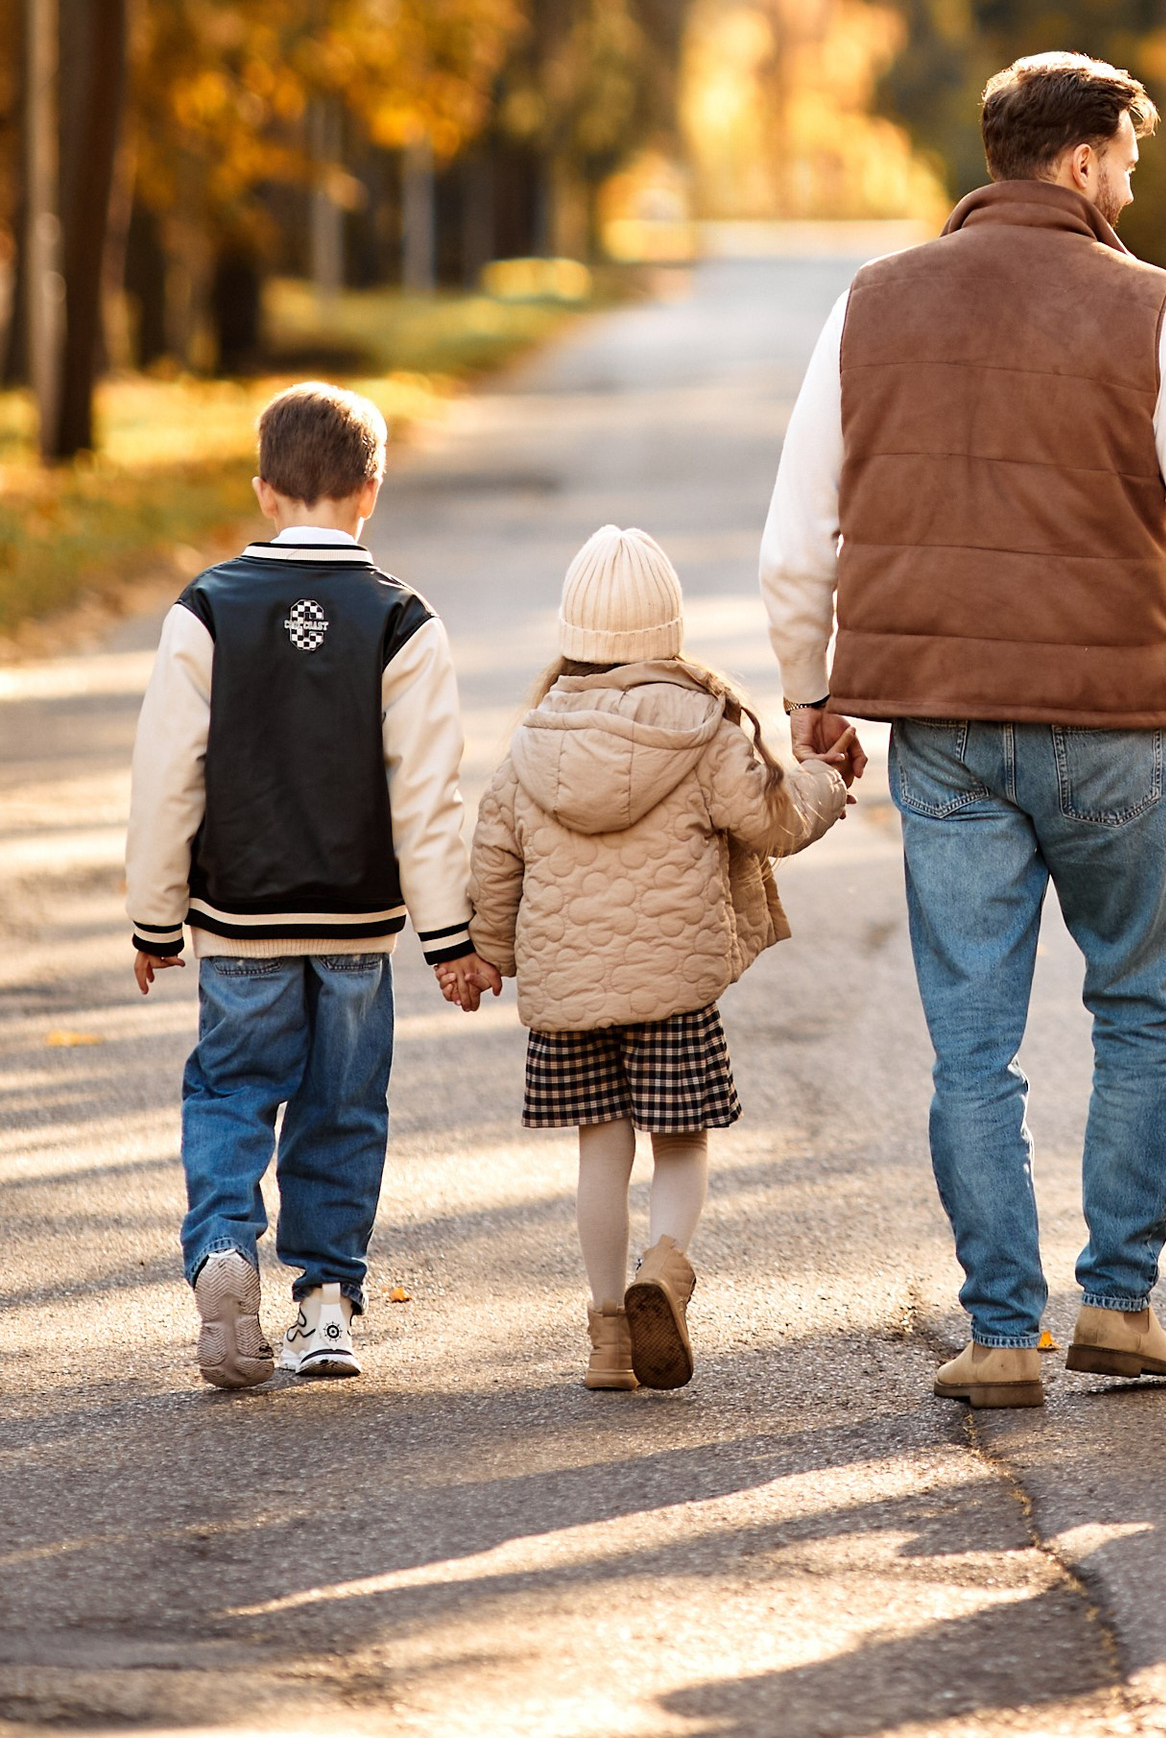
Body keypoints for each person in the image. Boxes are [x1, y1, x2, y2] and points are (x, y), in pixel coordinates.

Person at [761, 46, 1166, 1410]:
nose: (1132, 190)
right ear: (1085, 158)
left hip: (944, 732)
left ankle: (996, 1333)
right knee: (1142, 1001)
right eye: (1129, 164)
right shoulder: (1150, 308)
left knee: (973, 1042)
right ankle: (1118, 1303)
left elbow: (798, 535)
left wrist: (812, 693)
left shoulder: (873, 304)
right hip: (1112, 723)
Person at [124, 379, 495, 1392]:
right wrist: (450, 939)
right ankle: (326, 1303)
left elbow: (168, 774)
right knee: (343, 1102)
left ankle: (224, 1249)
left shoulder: (204, 611)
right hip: (355, 920)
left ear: (263, 489)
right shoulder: (402, 621)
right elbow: (427, 795)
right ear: (369, 489)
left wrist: (157, 915)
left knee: (233, 1088)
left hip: (238, 915)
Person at [467, 523, 849, 1391]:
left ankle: (608, 1334)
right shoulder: (706, 729)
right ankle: (665, 1270)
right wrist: (824, 779)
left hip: (569, 995)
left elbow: (494, 861)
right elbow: (774, 822)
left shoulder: (533, 740)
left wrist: (485, 954)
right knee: (681, 1140)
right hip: (676, 986)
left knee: (601, 1148)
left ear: (574, 636)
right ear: (668, 633)